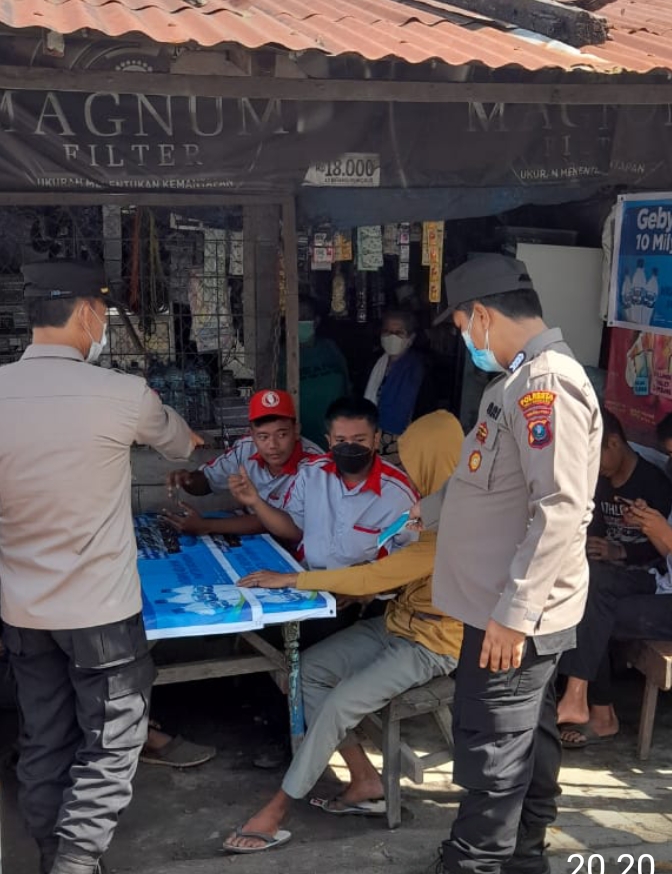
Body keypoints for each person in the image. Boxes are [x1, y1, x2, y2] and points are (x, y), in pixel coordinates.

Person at [0, 261, 202, 874]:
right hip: (102, 614)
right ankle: (75, 862)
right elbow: (182, 444)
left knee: (44, 737)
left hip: (23, 611)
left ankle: (53, 856)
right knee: (113, 740)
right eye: (105, 315)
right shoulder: (121, 395)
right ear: (89, 314)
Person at [417, 254, 602, 874]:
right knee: (526, 736)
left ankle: (477, 862)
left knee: (494, 749)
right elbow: (483, 479)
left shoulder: (547, 388)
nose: (465, 340)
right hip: (499, 608)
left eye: (462, 327)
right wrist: (423, 513)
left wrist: (514, 615)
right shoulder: (513, 384)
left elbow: (560, 509)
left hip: (513, 614)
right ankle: (524, 856)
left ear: (483, 317)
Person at [222, 409, 465, 853]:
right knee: (303, 672)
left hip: (433, 643)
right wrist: (369, 587)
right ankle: (365, 779)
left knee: (340, 702)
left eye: (414, 461)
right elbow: (385, 574)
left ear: (433, 462)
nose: (406, 470)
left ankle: (277, 809)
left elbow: (376, 574)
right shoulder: (428, 508)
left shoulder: (459, 522)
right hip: (396, 621)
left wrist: (292, 579)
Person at [557, 410, 672, 749]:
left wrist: (660, 532)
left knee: (591, 612)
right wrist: (649, 529)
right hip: (661, 582)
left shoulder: (655, 481)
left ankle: (593, 707)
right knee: (590, 581)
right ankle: (582, 700)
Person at [162, 389, 321, 537]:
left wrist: (206, 526)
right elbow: (207, 481)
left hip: (297, 548)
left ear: (296, 430)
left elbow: (286, 527)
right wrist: (188, 479)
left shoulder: (315, 466)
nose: (273, 445)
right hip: (262, 540)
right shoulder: (246, 448)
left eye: (282, 435)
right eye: (263, 437)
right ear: (252, 435)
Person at [586, 407, 672, 568]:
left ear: (613, 442)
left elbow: (662, 555)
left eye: (593, 458)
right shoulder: (597, 482)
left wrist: (622, 551)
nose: (591, 466)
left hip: (644, 572)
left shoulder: (656, 484)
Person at [364, 309, 437, 464]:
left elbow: (426, 410)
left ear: (411, 338)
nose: (392, 336)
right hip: (372, 437)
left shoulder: (420, 368)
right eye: (387, 331)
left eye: (399, 332)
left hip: (405, 443)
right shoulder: (374, 364)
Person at [279, 296, 350, 449]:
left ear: (316, 321)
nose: (301, 321)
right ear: (286, 323)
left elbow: (346, 384)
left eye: (306, 317)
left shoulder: (329, 348)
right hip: (301, 440)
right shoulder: (281, 356)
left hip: (337, 435)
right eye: (296, 317)